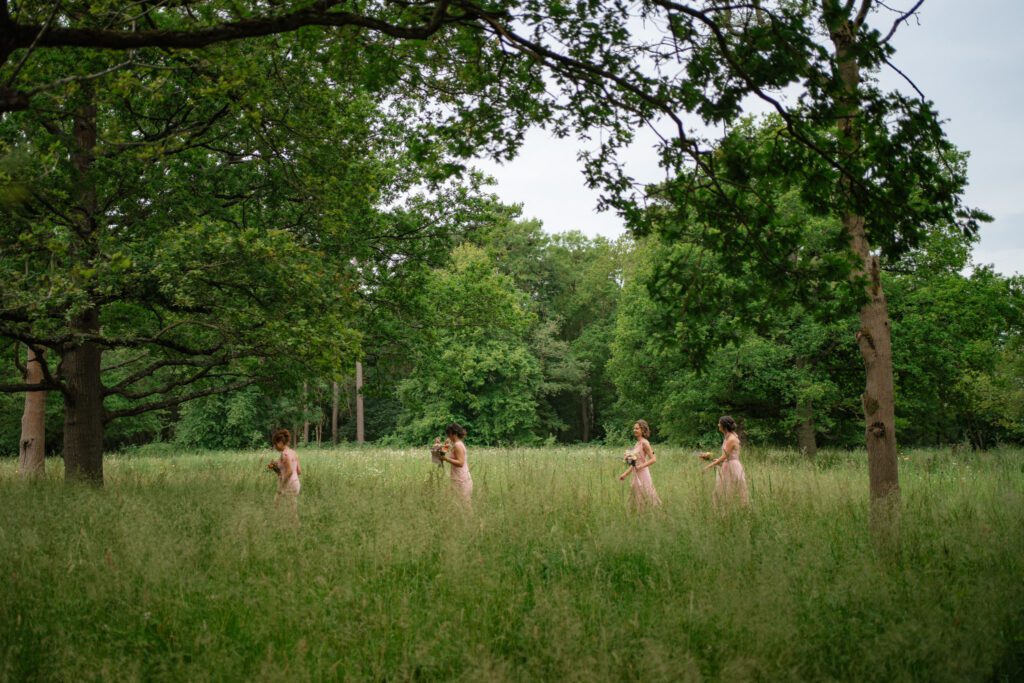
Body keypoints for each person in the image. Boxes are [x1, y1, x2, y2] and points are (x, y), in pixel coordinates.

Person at [702, 416, 749, 507]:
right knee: (721, 492)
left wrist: (708, 466)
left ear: (724, 425)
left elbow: (724, 457)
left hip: (732, 467)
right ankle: (723, 513)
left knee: (731, 491)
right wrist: (710, 459)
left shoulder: (731, 439)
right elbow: (727, 457)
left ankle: (734, 512)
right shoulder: (727, 437)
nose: (718, 425)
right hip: (727, 465)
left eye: (719, 423)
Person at [618, 419, 662, 511]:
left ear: (643, 430)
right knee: (635, 495)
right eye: (634, 428)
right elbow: (634, 464)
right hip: (636, 473)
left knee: (646, 493)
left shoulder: (645, 443)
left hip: (643, 473)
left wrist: (640, 467)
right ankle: (639, 514)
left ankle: (653, 513)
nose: (635, 430)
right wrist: (625, 474)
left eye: (637, 428)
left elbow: (654, 459)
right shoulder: (637, 443)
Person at [436, 422, 472, 505]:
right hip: (458, 478)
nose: (448, 436)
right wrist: (440, 445)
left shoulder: (458, 445)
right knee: (458, 505)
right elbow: (442, 454)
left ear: (454, 433)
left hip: (462, 479)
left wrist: (446, 459)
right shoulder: (455, 444)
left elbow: (461, 463)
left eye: (449, 434)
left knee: (465, 506)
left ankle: (470, 518)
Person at [270, 428, 302, 511]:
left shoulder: (284, 454)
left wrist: (282, 486)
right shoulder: (293, 452)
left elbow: (289, 472)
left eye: (275, 444)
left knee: (277, 507)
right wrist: (275, 468)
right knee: (289, 509)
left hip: (288, 485)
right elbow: (298, 471)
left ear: (280, 442)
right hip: (296, 484)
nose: (275, 447)